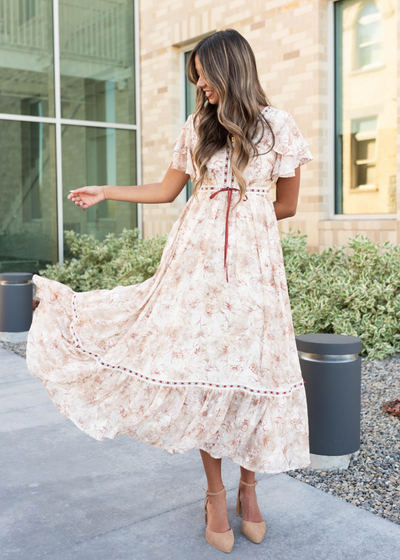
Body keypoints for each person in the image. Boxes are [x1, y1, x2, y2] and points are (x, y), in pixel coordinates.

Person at [26, 28, 313, 554]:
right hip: (193, 271)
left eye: (203, 73)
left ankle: (250, 489)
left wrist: (243, 222)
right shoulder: (198, 126)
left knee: (251, 374)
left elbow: (288, 204)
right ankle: (214, 494)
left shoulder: (278, 127)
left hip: (254, 275)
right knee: (202, 376)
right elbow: (165, 191)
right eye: (195, 76)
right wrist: (106, 190)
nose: (199, 84)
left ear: (229, 68)